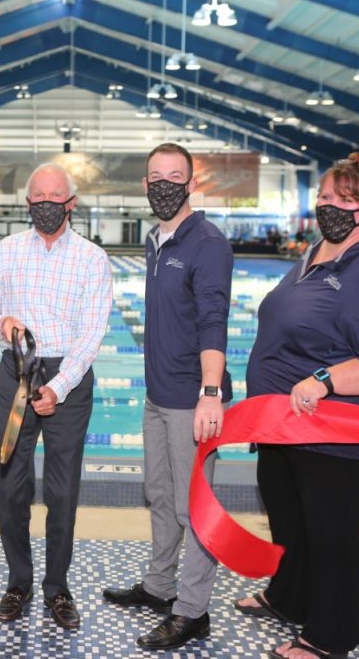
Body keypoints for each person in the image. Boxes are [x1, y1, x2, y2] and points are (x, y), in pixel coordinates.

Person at [236, 153, 359, 659]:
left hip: (337, 427)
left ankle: (330, 636)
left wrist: (325, 379)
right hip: (287, 423)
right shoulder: (320, 249)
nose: (331, 208)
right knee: (288, 511)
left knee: (331, 529)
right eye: (324, 199)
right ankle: (290, 596)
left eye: (345, 200)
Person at [102, 143, 233, 651]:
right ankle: (160, 587)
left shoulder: (208, 243)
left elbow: (213, 322)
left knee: (191, 507)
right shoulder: (158, 240)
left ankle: (192, 609)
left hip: (190, 399)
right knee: (159, 495)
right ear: (144, 185)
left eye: (174, 176)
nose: (163, 185)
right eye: (155, 176)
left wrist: (209, 394)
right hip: (159, 395)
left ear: (192, 183)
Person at [0, 163, 112, 630]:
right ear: (27, 203)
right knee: (10, 484)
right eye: (38, 199)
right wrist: (1, 325)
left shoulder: (92, 259)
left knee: (62, 490)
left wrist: (59, 386)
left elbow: (91, 336)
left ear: (71, 203)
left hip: (67, 374)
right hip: (15, 372)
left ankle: (57, 587)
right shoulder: (7, 250)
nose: (46, 205)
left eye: (56, 197)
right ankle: (19, 582)